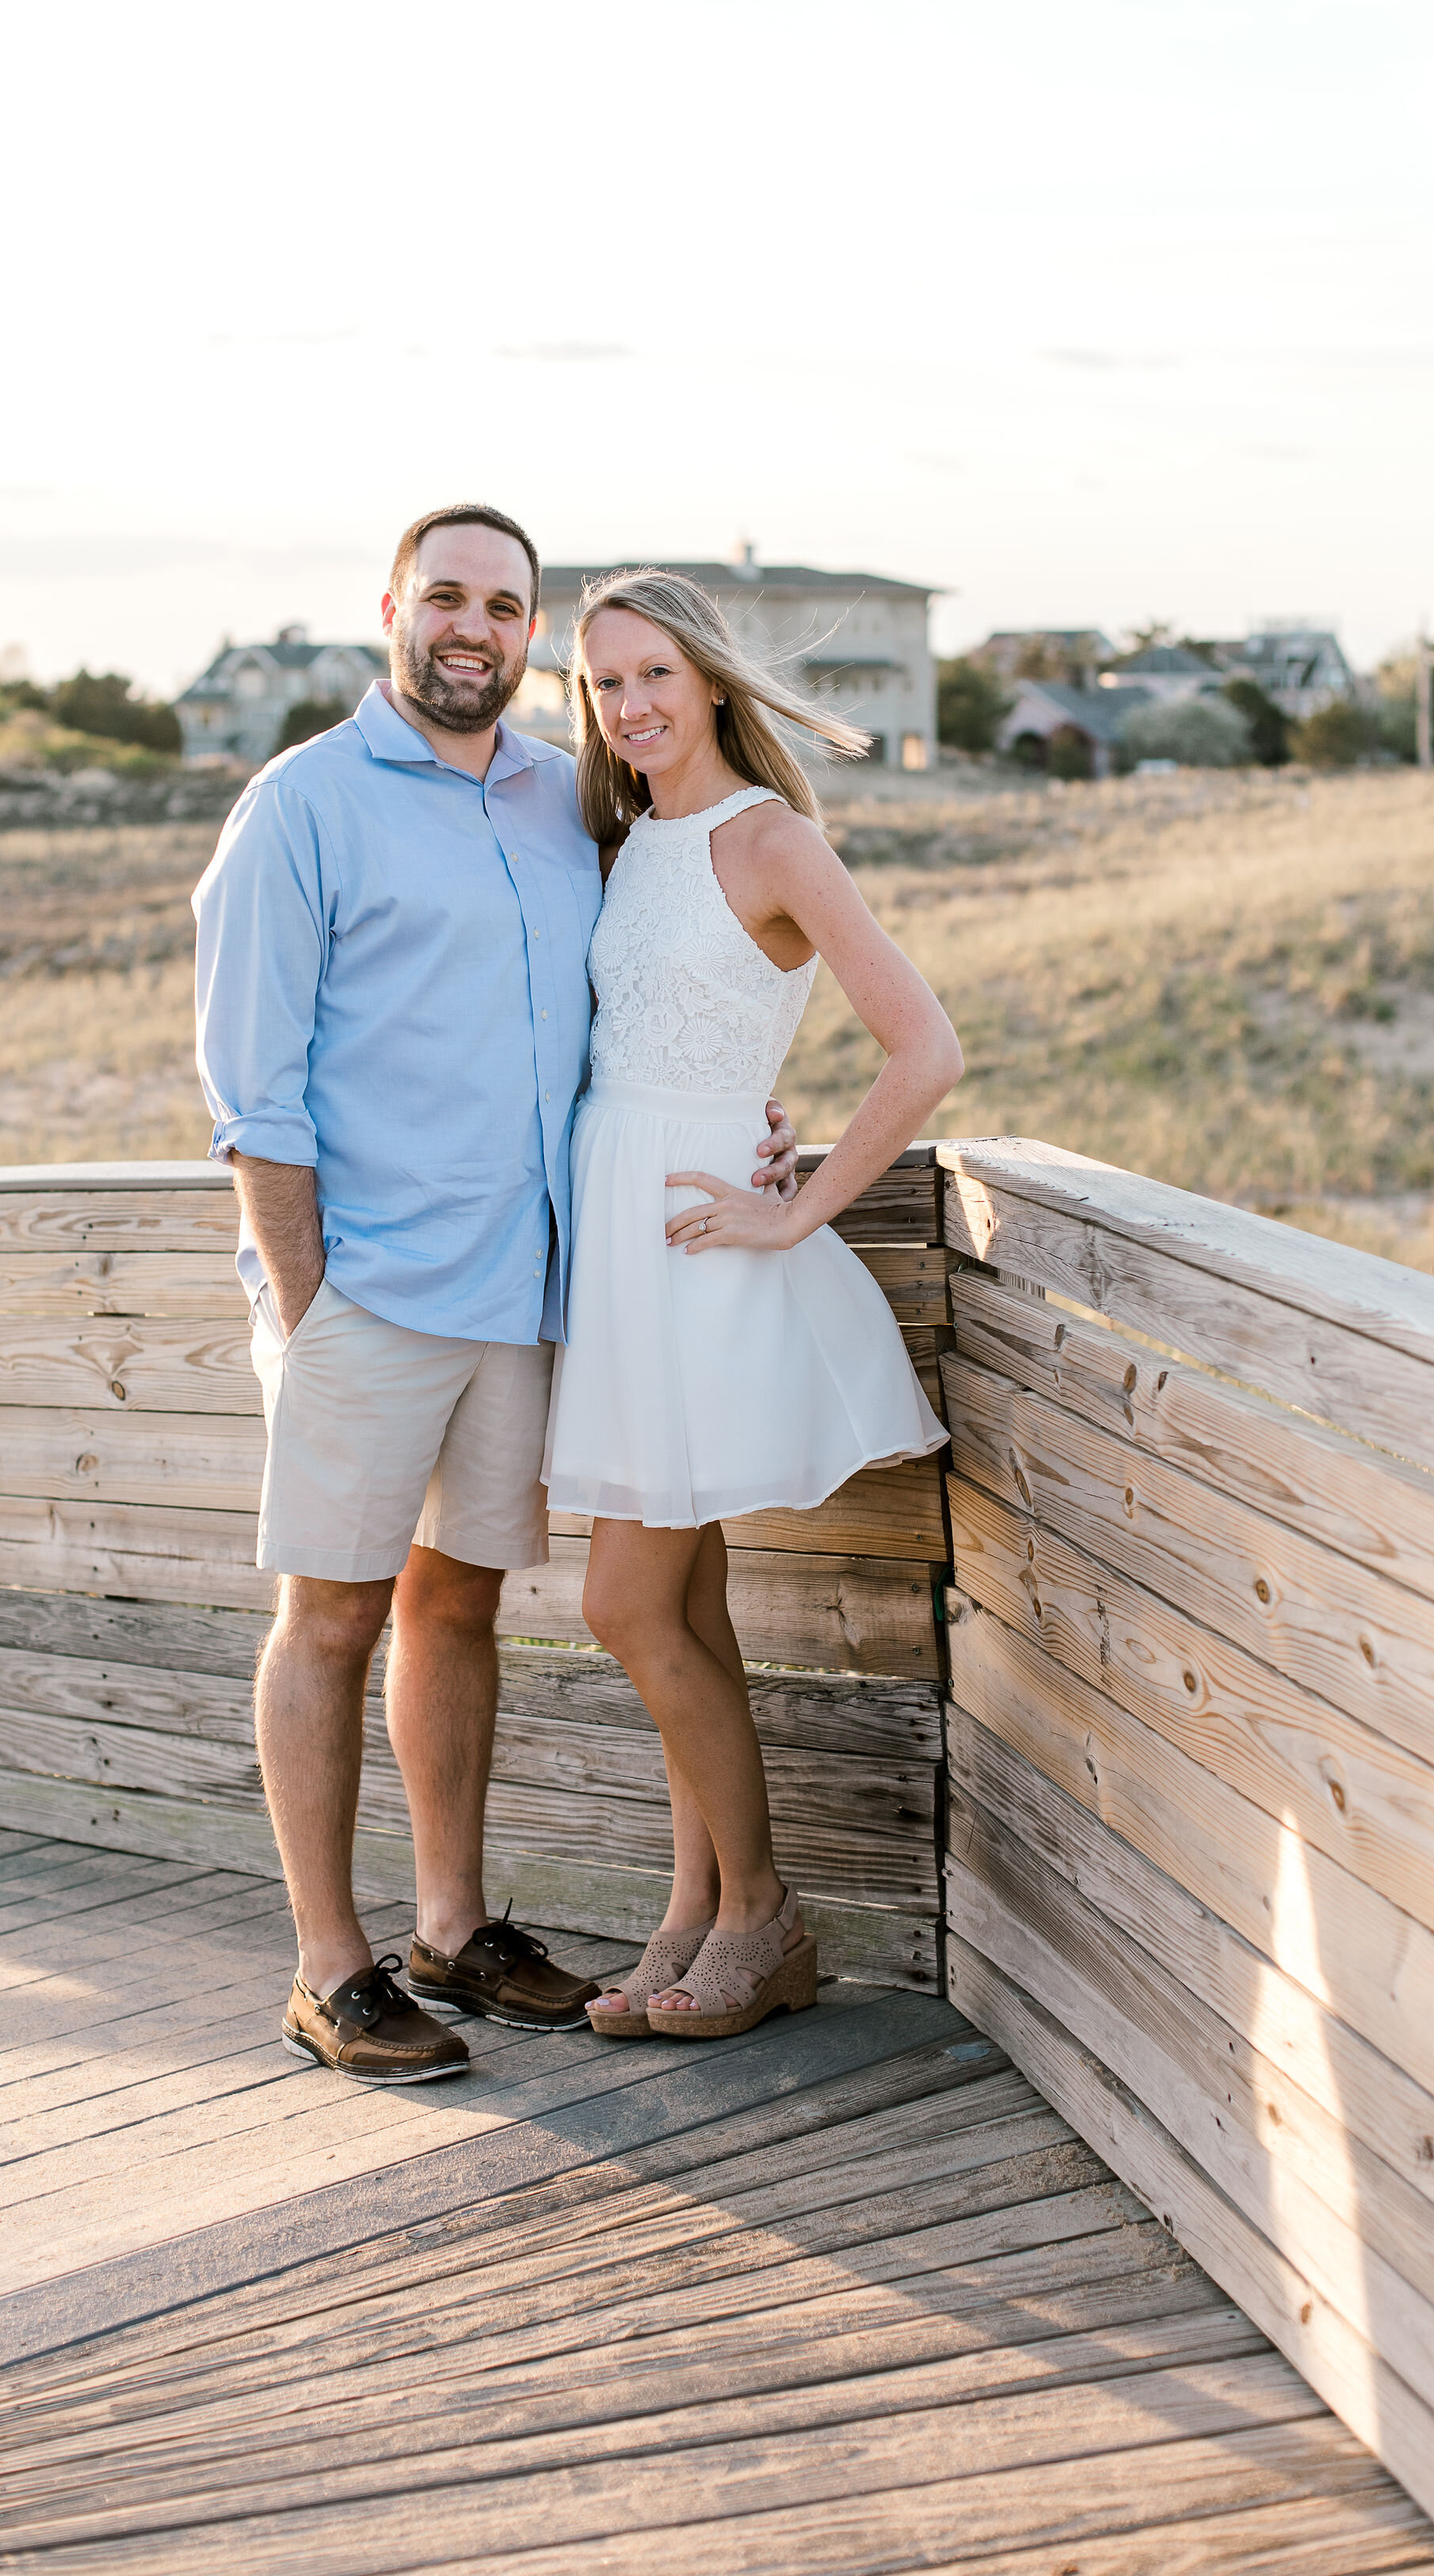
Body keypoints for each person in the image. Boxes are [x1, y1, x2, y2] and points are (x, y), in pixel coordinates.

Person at [190, 506, 799, 2084]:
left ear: (529, 633)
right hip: (370, 1296)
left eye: (504, 605)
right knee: (329, 1619)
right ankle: (331, 1968)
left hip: (531, 1292)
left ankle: (450, 1932)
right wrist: (305, 1300)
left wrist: (756, 1126)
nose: (476, 626)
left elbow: (656, 1000)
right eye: (447, 596)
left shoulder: (560, 798)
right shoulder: (300, 808)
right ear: (393, 606)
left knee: (456, 1605)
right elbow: (252, 1092)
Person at [547, 569, 962, 2041]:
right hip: (618, 1227)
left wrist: (794, 1203)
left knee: (623, 1601)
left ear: (711, 679)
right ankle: (694, 1910)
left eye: (654, 673)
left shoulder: (769, 837)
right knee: (688, 1597)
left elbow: (923, 1049)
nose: (631, 706)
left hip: (702, 1237)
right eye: (603, 685)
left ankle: (764, 1914)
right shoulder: (620, 842)